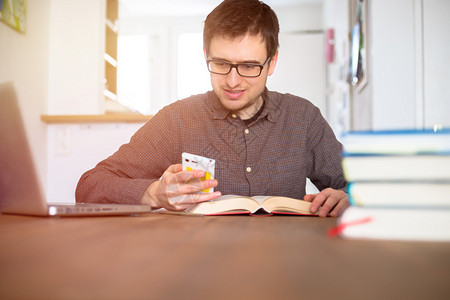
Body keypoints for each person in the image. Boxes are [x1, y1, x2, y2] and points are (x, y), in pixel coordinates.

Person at [76, 0, 349, 217]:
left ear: (272, 62)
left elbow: (356, 187)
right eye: (220, 64)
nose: (232, 81)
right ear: (205, 54)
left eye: (249, 66)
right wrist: (153, 193)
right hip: (197, 265)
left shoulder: (303, 118)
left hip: (288, 262)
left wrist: (347, 197)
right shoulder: (176, 119)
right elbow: (89, 186)